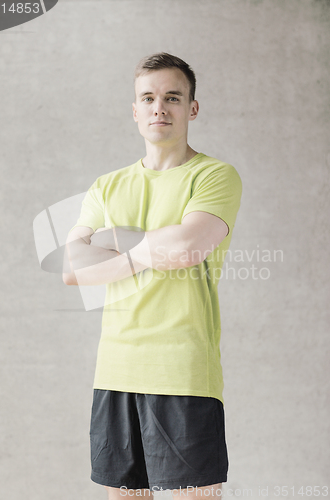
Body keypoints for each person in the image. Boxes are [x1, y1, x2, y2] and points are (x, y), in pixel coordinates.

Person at [63, 52, 242, 499]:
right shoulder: (106, 186)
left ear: (192, 108)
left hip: (182, 370)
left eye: (172, 97)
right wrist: (147, 252)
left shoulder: (214, 176)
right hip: (116, 370)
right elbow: (72, 269)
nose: (159, 107)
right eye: (148, 97)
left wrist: (116, 244)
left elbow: (186, 248)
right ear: (136, 109)